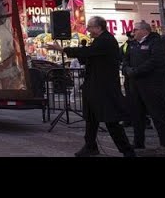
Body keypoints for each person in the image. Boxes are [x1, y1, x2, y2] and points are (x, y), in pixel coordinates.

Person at [47, 16, 135, 157]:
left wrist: (63, 49)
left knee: (110, 120)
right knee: (91, 119)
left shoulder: (106, 40)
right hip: (94, 86)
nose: (87, 29)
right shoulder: (99, 41)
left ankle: (127, 151)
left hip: (104, 88)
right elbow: (86, 57)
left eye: (89, 27)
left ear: (98, 27)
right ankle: (90, 146)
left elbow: (87, 53)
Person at [122, 21, 165, 156]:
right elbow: (125, 59)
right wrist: (127, 69)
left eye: (135, 30)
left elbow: (155, 61)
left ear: (144, 30)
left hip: (152, 85)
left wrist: (136, 71)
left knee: (159, 116)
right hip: (135, 86)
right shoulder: (132, 44)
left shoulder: (156, 42)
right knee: (137, 115)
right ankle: (138, 141)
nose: (133, 32)